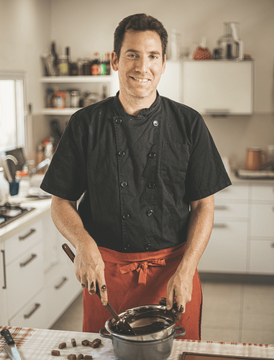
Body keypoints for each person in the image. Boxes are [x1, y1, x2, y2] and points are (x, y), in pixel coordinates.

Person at [41, 13, 231, 340]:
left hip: (174, 273)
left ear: (163, 63)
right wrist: (84, 245)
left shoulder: (189, 124)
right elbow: (61, 202)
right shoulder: (85, 124)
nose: (143, 67)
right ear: (115, 60)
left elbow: (203, 207)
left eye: (152, 56)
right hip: (106, 275)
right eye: (132, 54)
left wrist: (186, 271)